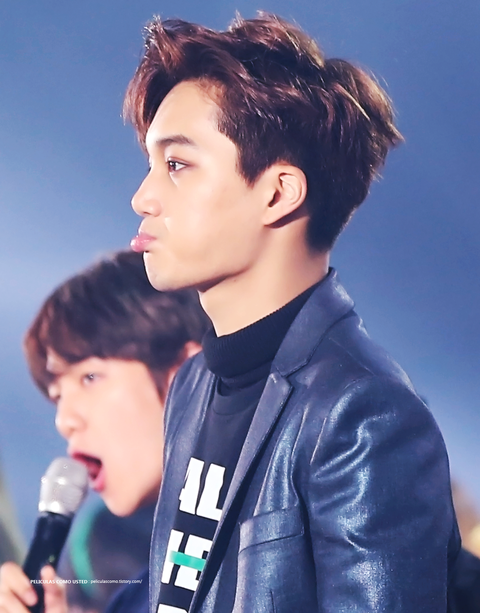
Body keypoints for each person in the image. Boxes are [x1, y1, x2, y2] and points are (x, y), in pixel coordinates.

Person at [124, 12, 461, 613]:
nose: (142, 197)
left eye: (176, 165)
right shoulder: (195, 384)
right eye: (151, 165)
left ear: (278, 193)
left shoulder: (364, 415)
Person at [0, 250, 209, 613]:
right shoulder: (108, 560)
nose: (64, 420)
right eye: (58, 396)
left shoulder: (283, 517)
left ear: (186, 373)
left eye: (90, 377)